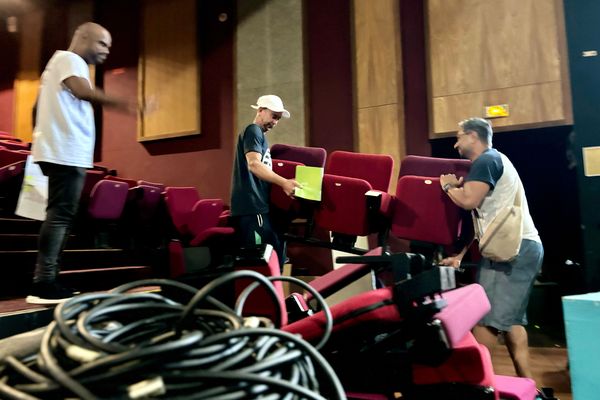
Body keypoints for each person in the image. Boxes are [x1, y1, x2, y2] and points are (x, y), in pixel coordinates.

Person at [26, 22, 136, 304]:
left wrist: (41, 141)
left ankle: (48, 280)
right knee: (61, 215)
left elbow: (36, 108)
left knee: (61, 214)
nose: (106, 51)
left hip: (60, 148)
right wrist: (125, 104)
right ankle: (44, 283)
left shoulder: (58, 64)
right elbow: (83, 91)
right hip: (65, 150)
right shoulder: (69, 59)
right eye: (102, 43)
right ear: (83, 36)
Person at [439, 117, 544, 379]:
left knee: (486, 317)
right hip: (519, 248)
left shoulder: (487, 160)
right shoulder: (496, 160)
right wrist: (460, 256)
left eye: (459, 136)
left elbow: (468, 200)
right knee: (512, 322)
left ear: (473, 136)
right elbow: (487, 220)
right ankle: (529, 386)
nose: (455, 144)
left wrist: (449, 186)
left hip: (514, 250)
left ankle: (473, 383)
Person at [230, 95, 300, 269]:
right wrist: (284, 182)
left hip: (257, 209)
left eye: (278, 118)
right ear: (260, 111)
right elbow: (254, 164)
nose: (275, 122)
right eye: (273, 116)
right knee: (261, 264)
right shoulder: (253, 130)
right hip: (253, 208)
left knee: (272, 257)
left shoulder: (258, 134)